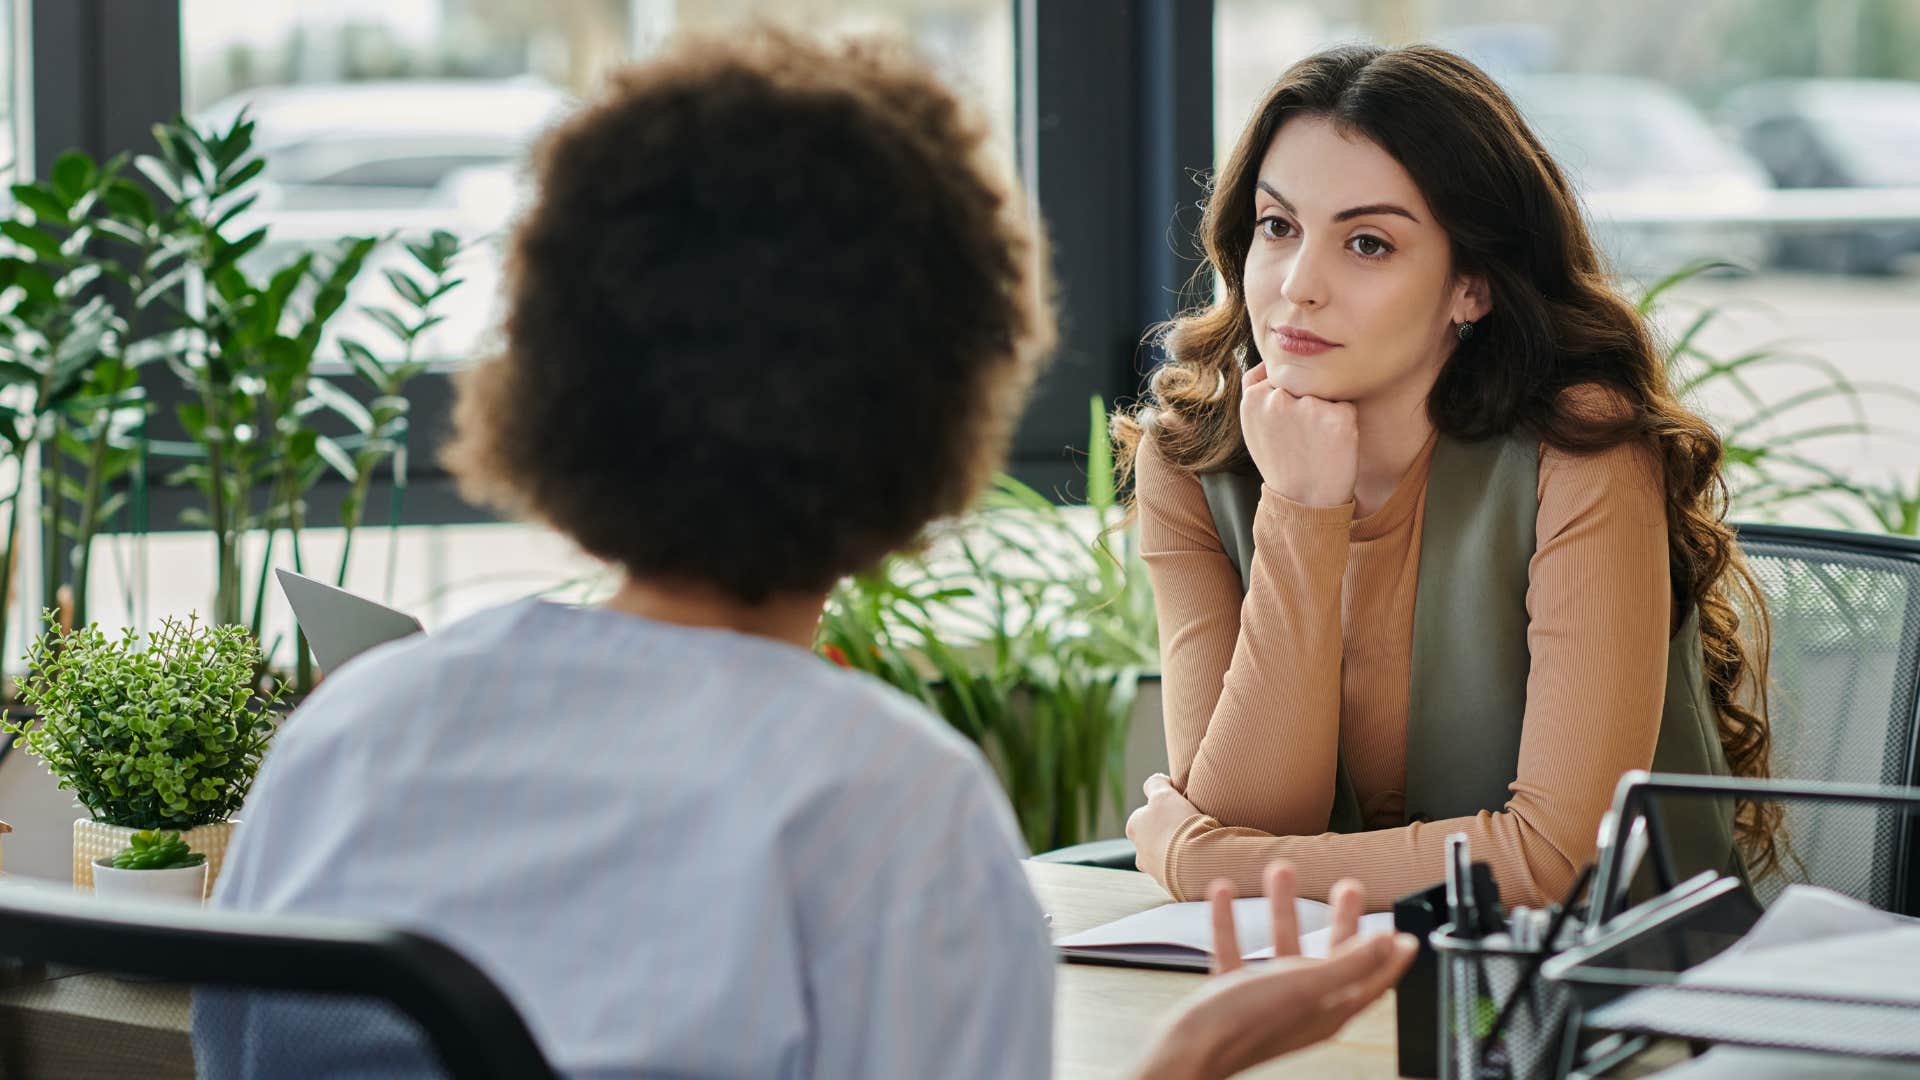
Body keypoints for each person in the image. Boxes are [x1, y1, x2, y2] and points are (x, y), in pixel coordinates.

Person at [198, 27, 1412, 1079]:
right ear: (938, 401)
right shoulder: (882, 803)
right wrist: (1193, 1058)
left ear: (557, 354)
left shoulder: (348, 736)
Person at [1119, 43, 1782, 911]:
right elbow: (1247, 815)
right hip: (1338, 990)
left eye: (1367, 243)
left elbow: (1554, 863)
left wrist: (1201, 865)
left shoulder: (1583, 451)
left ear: (1471, 284)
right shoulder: (1194, 458)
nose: (1297, 286)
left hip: (1612, 1003)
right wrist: (1303, 509)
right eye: (1278, 227)